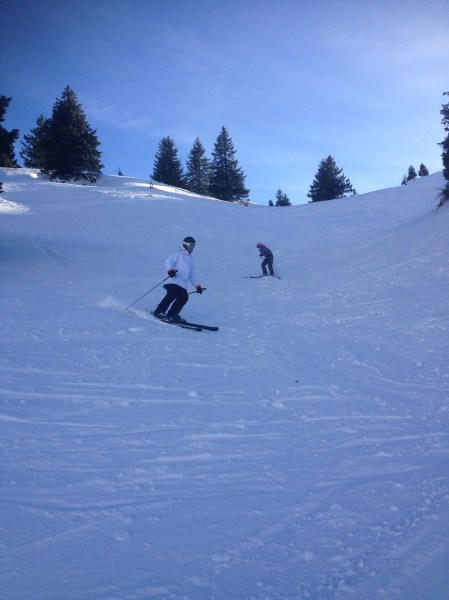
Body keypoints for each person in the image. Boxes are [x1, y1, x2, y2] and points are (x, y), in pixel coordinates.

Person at [153, 236, 203, 323]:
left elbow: (192, 274)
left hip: (182, 284)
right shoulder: (178, 254)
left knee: (184, 297)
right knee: (173, 293)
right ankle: (159, 311)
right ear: (186, 245)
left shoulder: (190, 260)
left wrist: (197, 286)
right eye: (191, 245)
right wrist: (170, 270)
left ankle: (172, 314)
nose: (192, 248)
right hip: (172, 280)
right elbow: (168, 261)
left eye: (193, 246)